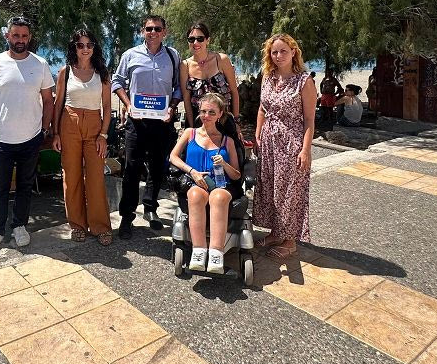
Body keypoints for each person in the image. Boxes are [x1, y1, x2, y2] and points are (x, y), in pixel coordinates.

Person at [0, 15, 55, 256]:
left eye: (24, 36)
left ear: (29, 38)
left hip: (31, 139)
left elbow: (48, 100)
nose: (20, 40)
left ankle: (19, 226)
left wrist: (45, 129)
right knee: (0, 188)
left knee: (24, 186)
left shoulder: (40, 64)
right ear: (7, 36)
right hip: (1, 140)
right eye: (15, 35)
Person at [111, 15, 182, 239]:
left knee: (158, 167)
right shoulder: (130, 55)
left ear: (164, 32)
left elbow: (178, 87)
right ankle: (127, 217)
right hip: (136, 122)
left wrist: (172, 107)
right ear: (143, 31)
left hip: (162, 122)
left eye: (157, 29)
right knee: (131, 169)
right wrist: (128, 105)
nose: (153, 32)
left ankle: (151, 208)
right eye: (149, 28)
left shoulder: (173, 56)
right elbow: (116, 81)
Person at [253, 34, 316, 260]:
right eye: (274, 52)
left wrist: (305, 150)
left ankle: (290, 241)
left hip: (292, 143)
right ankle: (275, 233)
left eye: (283, 51)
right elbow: (262, 108)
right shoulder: (268, 77)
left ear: (293, 52)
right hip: (269, 142)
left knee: (289, 192)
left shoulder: (304, 81)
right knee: (270, 188)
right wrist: (257, 134)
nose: (278, 56)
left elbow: (309, 119)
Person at [51, 28, 113, 245]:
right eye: (80, 45)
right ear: (74, 48)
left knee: (96, 177)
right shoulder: (65, 72)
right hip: (69, 124)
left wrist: (103, 135)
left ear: (94, 47)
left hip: (95, 126)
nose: (85, 49)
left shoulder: (102, 73)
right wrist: (55, 133)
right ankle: (77, 225)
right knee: (72, 176)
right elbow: (58, 104)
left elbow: (107, 106)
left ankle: (101, 227)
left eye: (89, 45)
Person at [169, 93, 243, 273]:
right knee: (195, 195)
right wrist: (192, 172)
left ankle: (216, 253)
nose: (206, 116)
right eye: (203, 111)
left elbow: (236, 175)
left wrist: (224, 164)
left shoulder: (228, 141)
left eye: (211, 112)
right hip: (196, 183)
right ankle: (199, 251)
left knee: (218, 197)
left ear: (220, 114)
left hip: (222, 185)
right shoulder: (190, 133)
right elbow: (173, 157)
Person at [180, 22, 241, 151]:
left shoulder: (221, 60)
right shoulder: (185, 66)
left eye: (200, 39)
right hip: (200, 122)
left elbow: (234, 92)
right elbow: (186, 99)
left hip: (224, 121)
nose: (195, 42)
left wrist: (236, 122)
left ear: (207, 40)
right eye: (191, 39)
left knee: (229, 157)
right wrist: (191, 128)